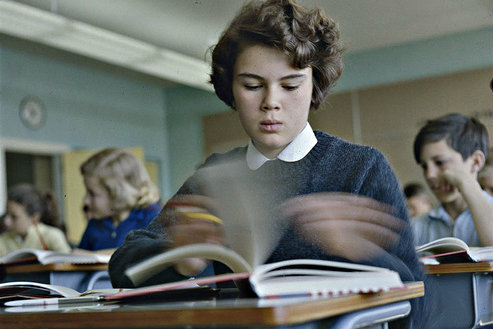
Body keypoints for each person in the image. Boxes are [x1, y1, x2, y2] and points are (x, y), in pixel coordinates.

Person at [109, 1, 426, 327]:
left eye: (290, 85)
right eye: (252, 86)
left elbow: (421, 305)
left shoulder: (362, 167)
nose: (271, 102)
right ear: (230, 88)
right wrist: (179, 257)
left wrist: (364, 254)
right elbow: (122, 267)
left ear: (314, 84)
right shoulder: (212, 177)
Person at [411, 113, 493, 247]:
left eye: (440, 162)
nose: (429, 174)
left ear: (475, 162)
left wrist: (467, 185)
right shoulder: (416, 226)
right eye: (424, 166)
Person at [76, 148, 161, 252]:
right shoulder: (94, 224)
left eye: (93, 194)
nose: (86, 201)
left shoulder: (155, 218)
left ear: (118, 194)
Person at [0, 184, 71, 256]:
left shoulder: (52, 236)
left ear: (34, 218)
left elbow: (68, 263)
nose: (6, 221)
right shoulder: (3, 240)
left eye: (14, 217)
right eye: (6, 214)